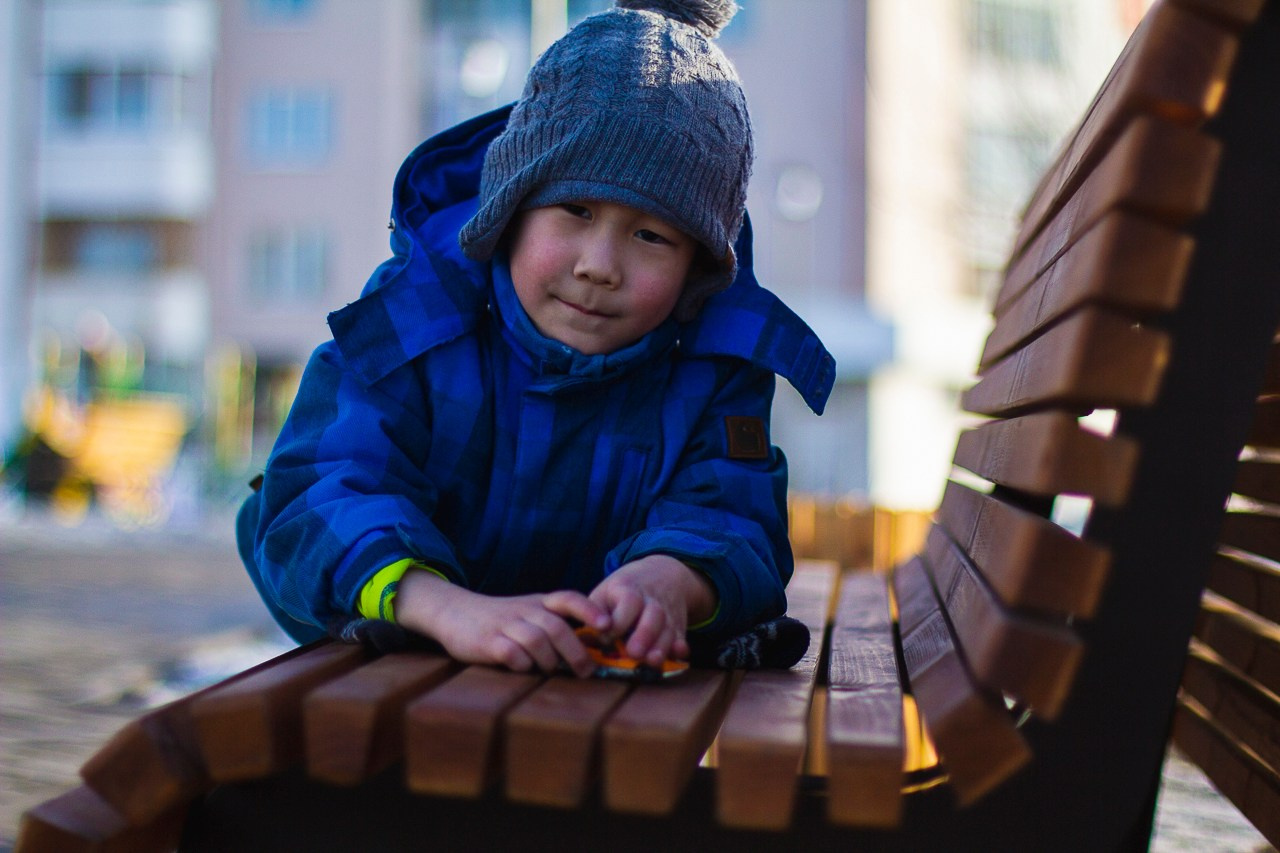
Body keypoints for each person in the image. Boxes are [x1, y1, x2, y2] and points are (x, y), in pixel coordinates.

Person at [236, 0, 835, 678]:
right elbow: (316, 489)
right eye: (576, 210)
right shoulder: (417, 316)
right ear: (510, 208)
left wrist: (670, 579)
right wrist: (445, 607)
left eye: (652, 236)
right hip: (415, 639)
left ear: (699, 267)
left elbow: (734, 509)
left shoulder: (714, 362)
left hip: (594, 659)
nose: (599, 264)